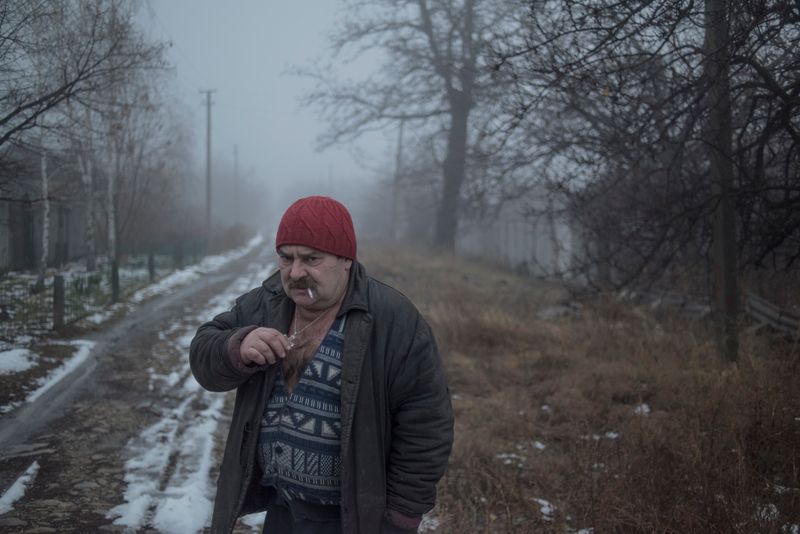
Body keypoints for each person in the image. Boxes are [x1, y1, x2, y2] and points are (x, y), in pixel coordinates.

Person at [190, 195, 454, 534]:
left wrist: (401, 517)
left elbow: (427, 424)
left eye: (311, 259)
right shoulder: (263, 305)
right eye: (286, 258)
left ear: (346, 260)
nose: (296, 272)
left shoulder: (393, 319)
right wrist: (236, 347)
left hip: (351, 519)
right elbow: (202, 354)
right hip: (282, 509)